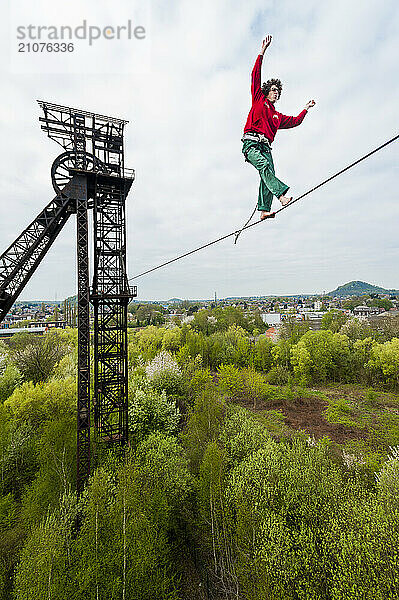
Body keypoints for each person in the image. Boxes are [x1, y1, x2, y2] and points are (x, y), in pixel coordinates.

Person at [242, 35, 316, 220]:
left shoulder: (277, 116)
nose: (276, 92)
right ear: (267, 91)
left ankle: (264, 210)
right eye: (273, 90)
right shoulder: (258, 98)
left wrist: (305, 109)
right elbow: (255, 76)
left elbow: (295, 121)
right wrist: (262, 52)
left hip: (266, 147)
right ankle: (282, 196)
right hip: (251, 144)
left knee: (267, 174)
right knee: (264, 166)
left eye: (278, 91)